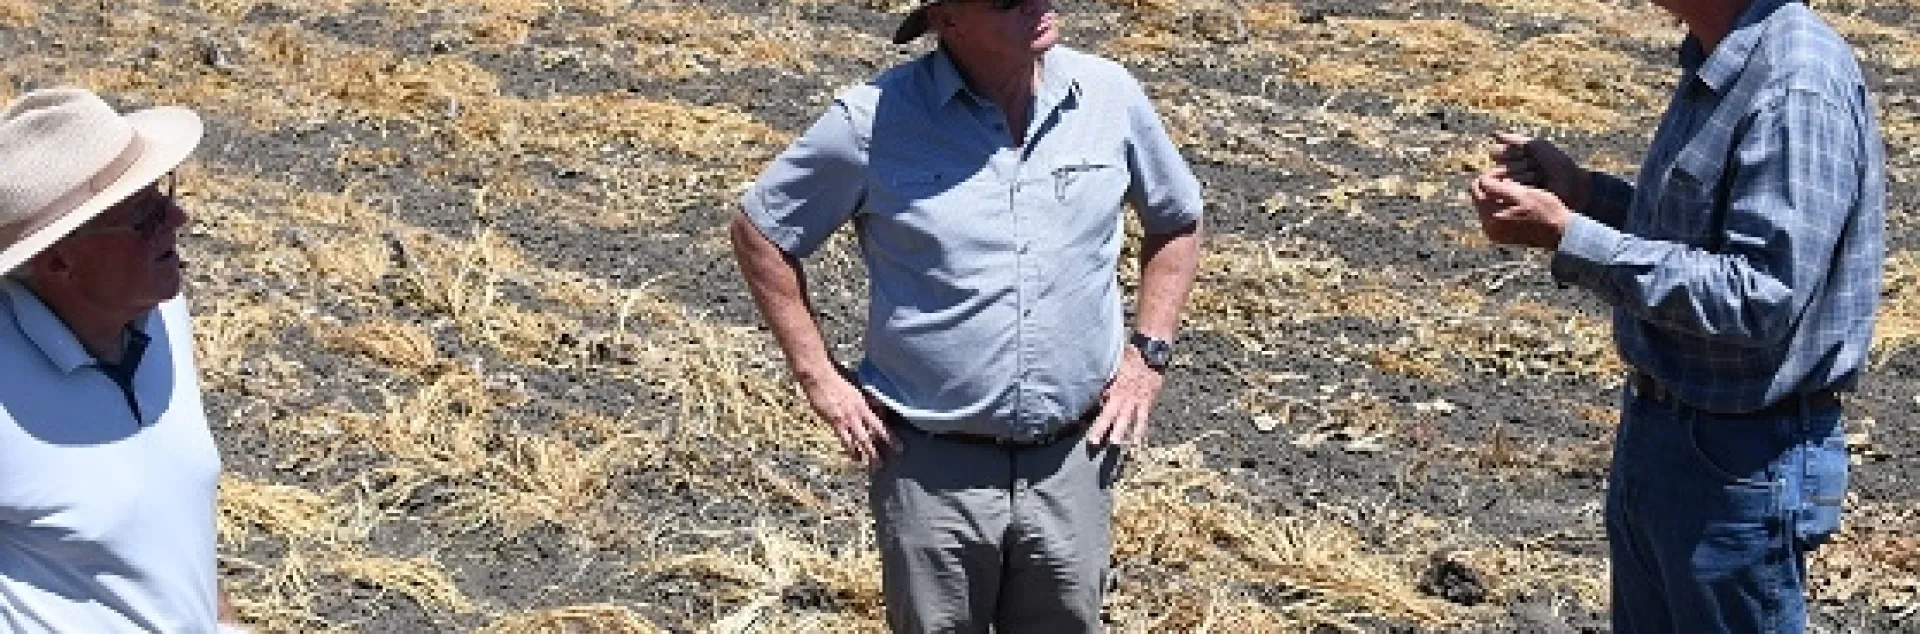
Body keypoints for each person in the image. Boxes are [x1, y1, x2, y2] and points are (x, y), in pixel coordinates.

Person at [728, 0, 1204, 630]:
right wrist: (819, 377)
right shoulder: (872, 120)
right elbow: (762, 230)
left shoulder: (1108, 96)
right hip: (931, 469)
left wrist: (1148, 355)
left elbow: (1177, 220)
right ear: (947, 20)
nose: (1038, 3)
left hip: (1074, 459)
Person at [1466, 0, 1886, 631]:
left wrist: (1569, 235)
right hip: (1670, 433)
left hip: (1742, 459)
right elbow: (1697, 238)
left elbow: (1759, 296)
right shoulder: (1721, 58)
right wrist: (1585, 196)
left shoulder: (1796, 84)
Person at [0, 88, 248, 633]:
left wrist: (222, 621)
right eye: (142, 218)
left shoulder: (158, 310)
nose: (177, 216)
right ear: (59, 262)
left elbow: (168, 511)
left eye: (162, 194)